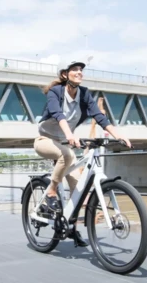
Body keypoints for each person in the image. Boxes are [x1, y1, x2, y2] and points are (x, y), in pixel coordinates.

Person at [33, 60, 131, 246]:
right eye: (75, 70)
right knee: (68, 155)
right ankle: (51, 192)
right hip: (45, 140)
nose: (79, 72)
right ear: (64, 75)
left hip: (64, 143)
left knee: (78, 189)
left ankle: (70, 227)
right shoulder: (56, 92)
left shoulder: (84, 94)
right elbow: (57, 114)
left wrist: (119, 135)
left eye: (81, 70)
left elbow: (100, 116)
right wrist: (70, 135)